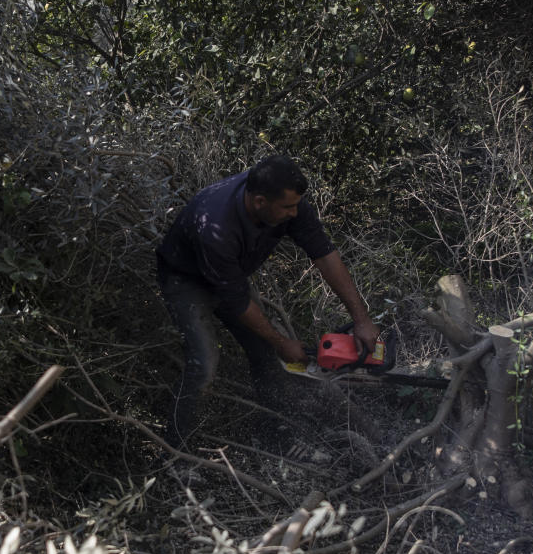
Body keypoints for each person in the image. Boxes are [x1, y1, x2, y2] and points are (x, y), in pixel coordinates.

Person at [156, 154, 380, 450]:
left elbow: (324, 254)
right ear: (259, 202)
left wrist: (361, 318)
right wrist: (281, 342)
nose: (294, 212)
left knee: (265, 353)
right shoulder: (217, 229)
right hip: (186, 280)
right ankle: (174, 453)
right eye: (288, 207)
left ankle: (274, 434)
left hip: (230, 274)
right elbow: (235, 302)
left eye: (296, 205)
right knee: (205, 364)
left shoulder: (288, 202)